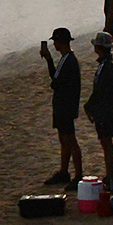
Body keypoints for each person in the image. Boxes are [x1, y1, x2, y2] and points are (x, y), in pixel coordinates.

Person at [40, 27, 82, 188]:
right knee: (64, 139)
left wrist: (49, 60)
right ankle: (64, 171)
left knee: (70, 140)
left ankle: (78, 175)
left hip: (65, 106)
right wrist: (49, 60)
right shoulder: (67, 59)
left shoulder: (68, 60)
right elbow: (56, 79)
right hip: (64, 105)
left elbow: (55, 82)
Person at [84, 32, 113, 185]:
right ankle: (110, 175)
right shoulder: (108, 66)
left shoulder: (105, 67)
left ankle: (110, 175)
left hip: (104, 110)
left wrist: (89, 106)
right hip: (106, 109)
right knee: (106, 143)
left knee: (106, 144)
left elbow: (99, 90)